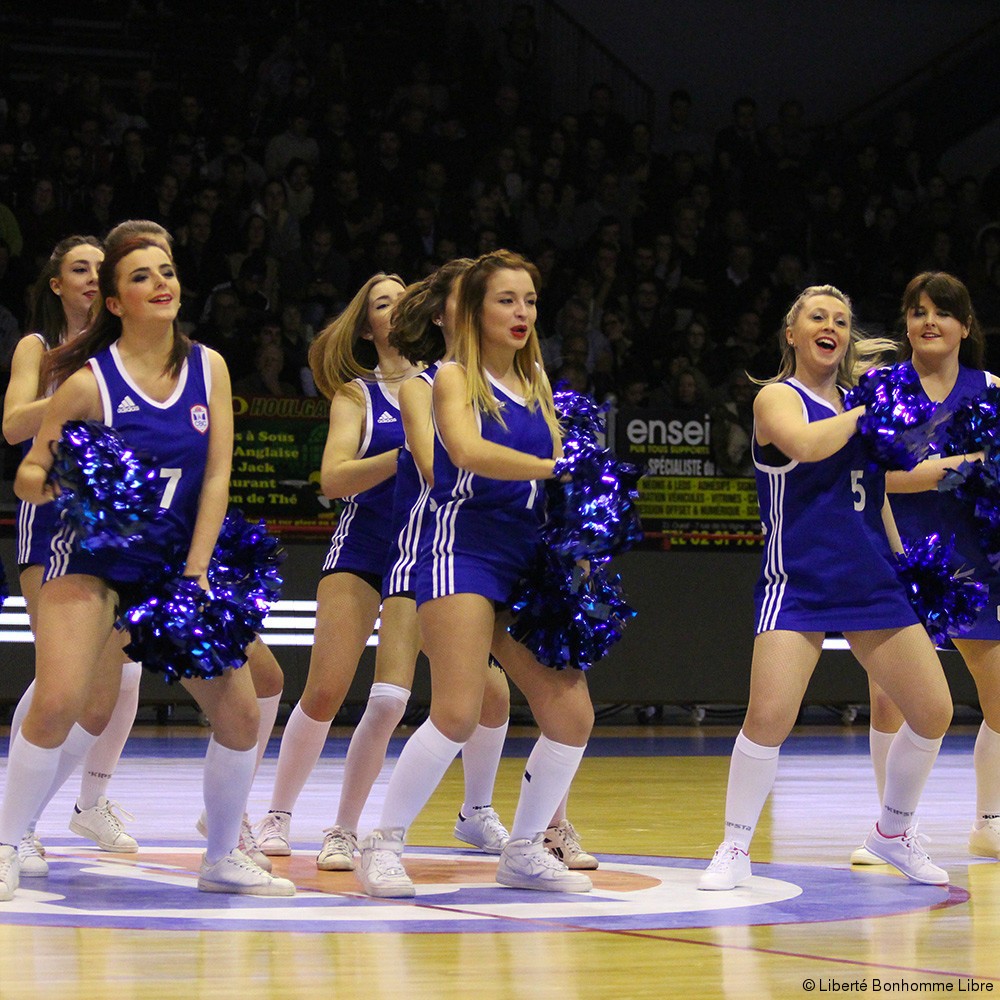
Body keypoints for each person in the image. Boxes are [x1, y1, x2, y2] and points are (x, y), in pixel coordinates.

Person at [0, 236, 294, 900]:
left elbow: (217, 475)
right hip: (94, 558)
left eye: (167, 271)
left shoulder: (209, 367)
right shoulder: (87, 381)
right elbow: (28, 474)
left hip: (173, 564)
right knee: (59, 699)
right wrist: (74, 488)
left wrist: (197, 570)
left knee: (241, 714)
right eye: (142, 276)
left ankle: (221, 856)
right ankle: (6, 844)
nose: (162, 282)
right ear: (116, 301)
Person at [355, 249, 596, 898]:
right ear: (475, 311)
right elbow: (461, 451)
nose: (522, 313)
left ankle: (524, 846)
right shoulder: (452, 378)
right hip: (458, 549)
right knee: (459, 710)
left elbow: (555, 487)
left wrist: (580, 529)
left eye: (530, 301)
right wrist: (553, 470)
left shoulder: (539, 383)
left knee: (571, 714)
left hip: (524, 558)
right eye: (506, 301)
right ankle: (381, 844)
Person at [698, 285, 954, 891]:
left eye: (842, 319)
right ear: (793, 333)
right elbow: (809, 446)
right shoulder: (776, 399)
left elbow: (885, 486)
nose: (832, 325)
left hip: (870, 579)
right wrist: (873, 406)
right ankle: (734, 846)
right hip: (800, 580)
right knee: (768, 717)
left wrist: (968, 467)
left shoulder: (853, 403)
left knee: (934, 710)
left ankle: (893, 832)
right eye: (818, 316)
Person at [314, 259, 514, 873]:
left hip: (463, 552)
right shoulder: (410, 388)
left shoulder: (486, 380)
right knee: (384, 696)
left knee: (498, 694)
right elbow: (432, 466)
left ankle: (485, 815)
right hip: (407, 550)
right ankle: (345, 829)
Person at [254, 273, 419, 855]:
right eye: (381, 302)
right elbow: (333, 478)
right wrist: (405, 456)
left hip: (423, 556)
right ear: (368, 326)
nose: (395, 309)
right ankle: (275, 815)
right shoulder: (358, 394)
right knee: (324, 691)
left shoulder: (448, 385)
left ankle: (346, 830)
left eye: (404, 299)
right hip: (362, 550)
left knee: (395, 699)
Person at [3, 235, 146, 877]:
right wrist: (77, 398)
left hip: (112, 520)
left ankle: (72, 804)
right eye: (78, 268)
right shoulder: (41, 347)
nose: (91, 277)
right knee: (59, 673)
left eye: (99, 268)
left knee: (105, 684)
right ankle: (17, 824)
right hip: (50, 511)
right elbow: (11, 426)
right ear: (57, 284)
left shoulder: (127, 347)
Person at [852, 272, 1000, 866]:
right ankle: (892, 828)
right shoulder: (880, 389)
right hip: (896, 552)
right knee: (891, 700)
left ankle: (990, 821)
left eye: (942, 312)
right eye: (916, 312)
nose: (928, 321)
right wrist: (956, 464)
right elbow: (872, 476)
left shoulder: (991, 389)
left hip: (976, 558)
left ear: (966, 326)